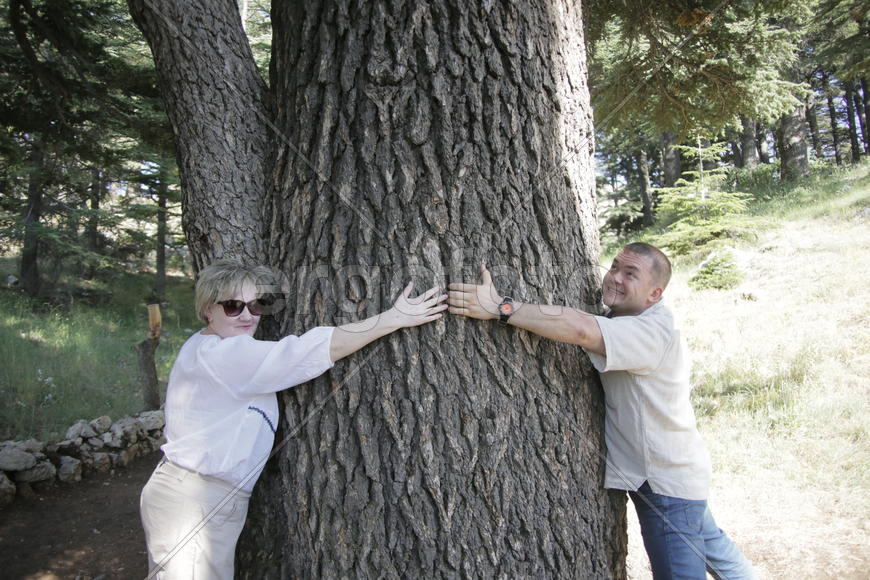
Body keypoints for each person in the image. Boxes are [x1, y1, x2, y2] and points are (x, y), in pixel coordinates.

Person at [447, 242, 757, 579]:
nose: (615, 278)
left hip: (666, 485)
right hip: (679, 474)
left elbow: (581, 329)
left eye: (630, 274)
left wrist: (500, 307)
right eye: (615, 267)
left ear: (655, 294)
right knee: (721, 556)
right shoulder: (629, 317)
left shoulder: (651, 332)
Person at [140, 260, 447, 579]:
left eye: (255, 305)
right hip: (195, 501)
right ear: (208, 309)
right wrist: (394, 318)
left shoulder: (204, 344)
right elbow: (311, 350)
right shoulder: (225, 354)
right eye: (233, 306)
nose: (247, 316)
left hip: (191, 495)